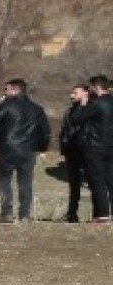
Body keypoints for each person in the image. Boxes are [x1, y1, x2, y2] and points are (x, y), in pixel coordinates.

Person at [0, 78, 51, 223]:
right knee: (26, 182)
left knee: (3, 180)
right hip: (29, 151)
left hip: (7, 149)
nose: (5, 92)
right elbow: (45, 132)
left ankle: (6, 212)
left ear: (16, 90)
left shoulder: (7, 105)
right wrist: (42, 148)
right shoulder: (37, 109)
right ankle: (24, 215)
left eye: (6, 89)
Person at [71, 75, 113, 223]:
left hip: (95, 147)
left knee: (97, 181)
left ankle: (102, 214)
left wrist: (83, 103)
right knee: (110, 179)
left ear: (97, 87)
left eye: (91, 88)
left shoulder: (96, 104)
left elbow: (76, 119)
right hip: (111, 146)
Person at [58, 84, 91, 222]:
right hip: (71, 152)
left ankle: (99, 213)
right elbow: (64, 131)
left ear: (85, 93)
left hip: (88, 151)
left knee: (94, 183)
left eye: (75, 93)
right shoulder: (69, 111)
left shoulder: (92, 110)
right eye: (72, 93)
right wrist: (63, 147)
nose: (72, 95)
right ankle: (72, 213)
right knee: (74, 185)